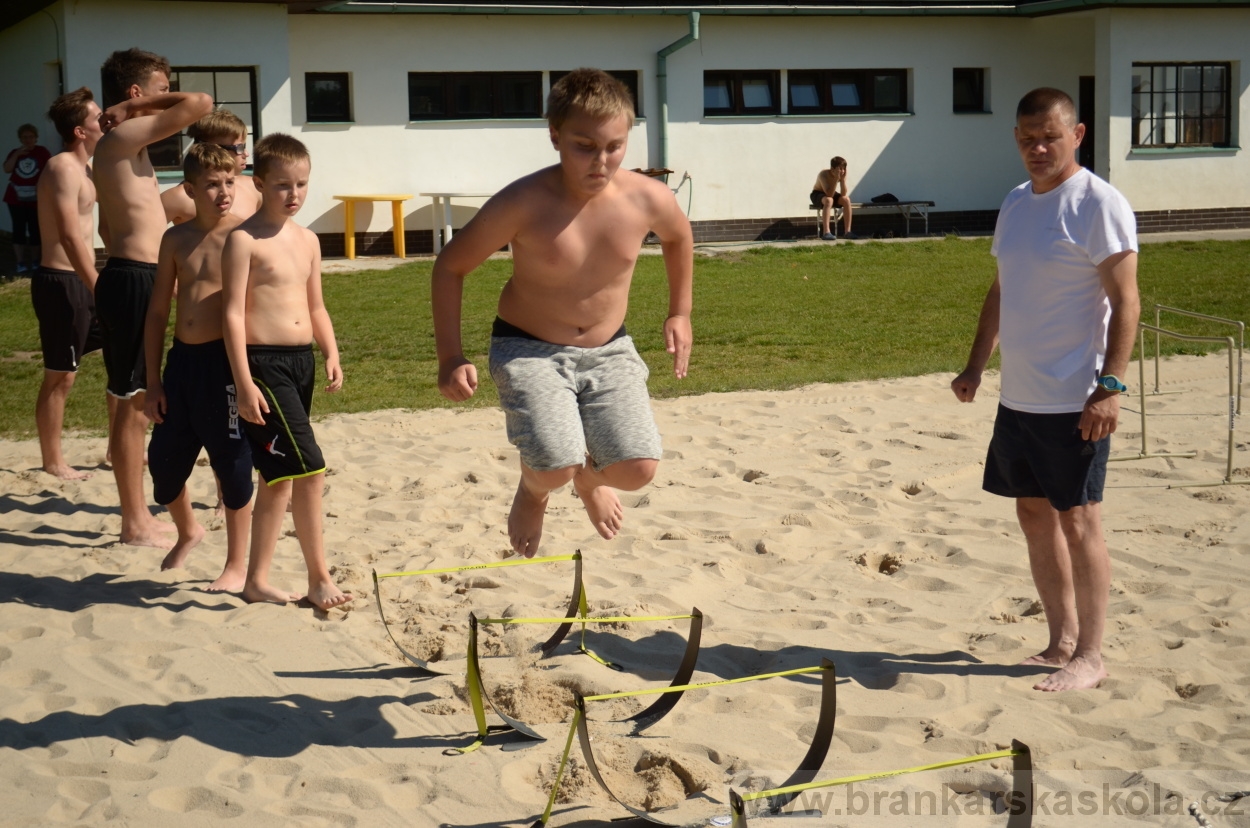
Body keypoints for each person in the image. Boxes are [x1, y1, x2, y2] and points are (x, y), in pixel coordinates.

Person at [433, 67, 693, 559]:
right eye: (584, 146)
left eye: (615, 146)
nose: (601, 161)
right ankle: (533, 492)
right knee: (553, 467)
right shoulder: (523, 202)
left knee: (637, 470)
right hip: (528, 347)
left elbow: (680, 237)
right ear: (555, 135)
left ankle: (589, 481)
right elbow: (451, 267)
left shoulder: (647, 197)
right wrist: (450, 356)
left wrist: (679, 311)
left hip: (608, 347)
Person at [951, 87, 1139, 693]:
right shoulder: (1015, 202)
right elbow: (1002, 289)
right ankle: (1059, 642)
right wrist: (977, 366)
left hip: (1074, 398)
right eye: (1028, 138)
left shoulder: (1097, 204)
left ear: (1077, 134)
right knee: (1032, 512)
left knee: (1080, 519)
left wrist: (1109, 386)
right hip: (1020, 397)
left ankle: (1091, 653)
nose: (1038, 148)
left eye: (1050, 137)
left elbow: (1126, 300)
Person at [222, 132, 351, 610]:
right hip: (262, 365)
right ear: (258, 183)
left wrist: (331, 351)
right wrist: (243, 381)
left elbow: (316, 304)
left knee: (278, 476)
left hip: (300, 364)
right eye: (282, 185)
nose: (293, 195)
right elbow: (232, 315)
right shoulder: (243, 240)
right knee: (311, 467)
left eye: (301, 184)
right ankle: (320, 578)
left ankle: (256, 581)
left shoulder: (309, 239)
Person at [93, 47, 213, 549]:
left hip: (138, 275)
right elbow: (201, 103)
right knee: (131, 404)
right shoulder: (120, 136)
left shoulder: (129, 151)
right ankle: (134, 522)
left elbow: (123, 217)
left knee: (137, 400)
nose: (170, 97)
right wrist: (127, 111)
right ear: (138, 92)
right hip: (130, 278)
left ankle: (138, 516)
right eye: (162, 87)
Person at [144, 142, 254, 588]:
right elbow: (156, 313)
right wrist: (152, 381)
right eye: (211, 184)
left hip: (224, 365)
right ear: (189, 189)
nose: (223, 191)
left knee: (231, 463)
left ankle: (236, 563)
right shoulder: (176, 238)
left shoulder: (245, 235)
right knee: (163, 462)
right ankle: (188, 529)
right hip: (183, 363)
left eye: (229, 182)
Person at [32, 88, 109, 479]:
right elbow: (68, 234)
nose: (105, 123)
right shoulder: (62, 166)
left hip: (85, 277)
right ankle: (52, 461)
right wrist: (96, 283)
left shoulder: (90, 169)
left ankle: (117, 448)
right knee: (61, 374)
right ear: (80, 131)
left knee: (121, 360)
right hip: (62, 281)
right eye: (98, 118)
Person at [161, 109, 260, 225]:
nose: (246, 154)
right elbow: (144, 238)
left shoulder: (253, 187)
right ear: (213, 149)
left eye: (244, 146)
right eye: (239, 147)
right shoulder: (178, 197)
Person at [5, 123, 53, 273]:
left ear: (36, 138)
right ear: (20, 139)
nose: (28, 140)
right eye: (24, 137)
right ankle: (20, 262)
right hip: (15, 198)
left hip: (36, 198)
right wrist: (17, 155)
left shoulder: (42, 152)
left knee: (35, 230)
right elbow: (7, 169)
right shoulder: (15, 152)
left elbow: (50, 170)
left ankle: (35, 261)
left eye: (31, 137)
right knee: (18, 230)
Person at [810, 156, 857, 241]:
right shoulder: (823, 175)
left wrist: (842, 180)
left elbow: (843, 194)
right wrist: (836, 179)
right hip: (818, 193)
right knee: (829, 200)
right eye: (840, 169)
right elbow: (829, 194)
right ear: (833, 169)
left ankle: (848, 232)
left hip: (830, 192)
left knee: (846, 199)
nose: (842, 171)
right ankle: (826, 232)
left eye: (844, 169)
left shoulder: (842, 174)